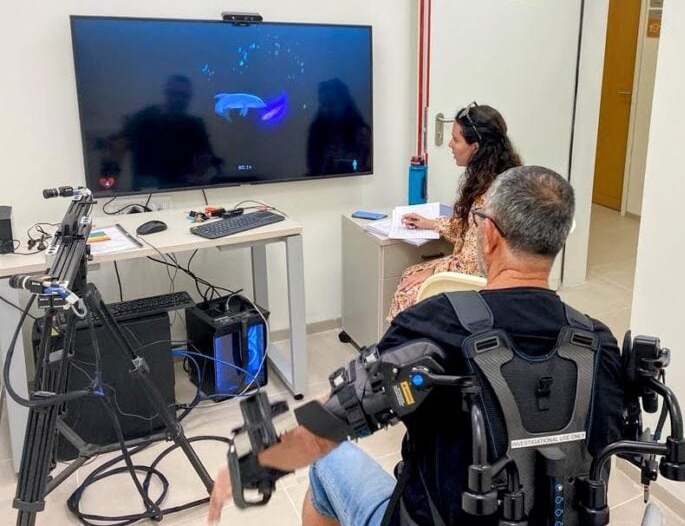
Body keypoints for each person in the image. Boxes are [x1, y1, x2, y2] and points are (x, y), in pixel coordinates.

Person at [207, 166, 625, 526]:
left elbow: (326, 430)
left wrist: (248, 467)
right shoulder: (599, 342)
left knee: (326, 465)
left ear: (491, 234)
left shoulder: (437, 323)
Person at [389, 102, 522, 320]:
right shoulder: (501, 177)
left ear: (475, 147)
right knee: (412, 274)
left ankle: (406, 350)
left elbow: (472, 262)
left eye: (456, 139)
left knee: (409, 288)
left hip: (481, 278)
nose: (450, 145)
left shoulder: (488, 197)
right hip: (494, 274)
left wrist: (433, 273)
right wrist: (431, 223)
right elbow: (470, 230)